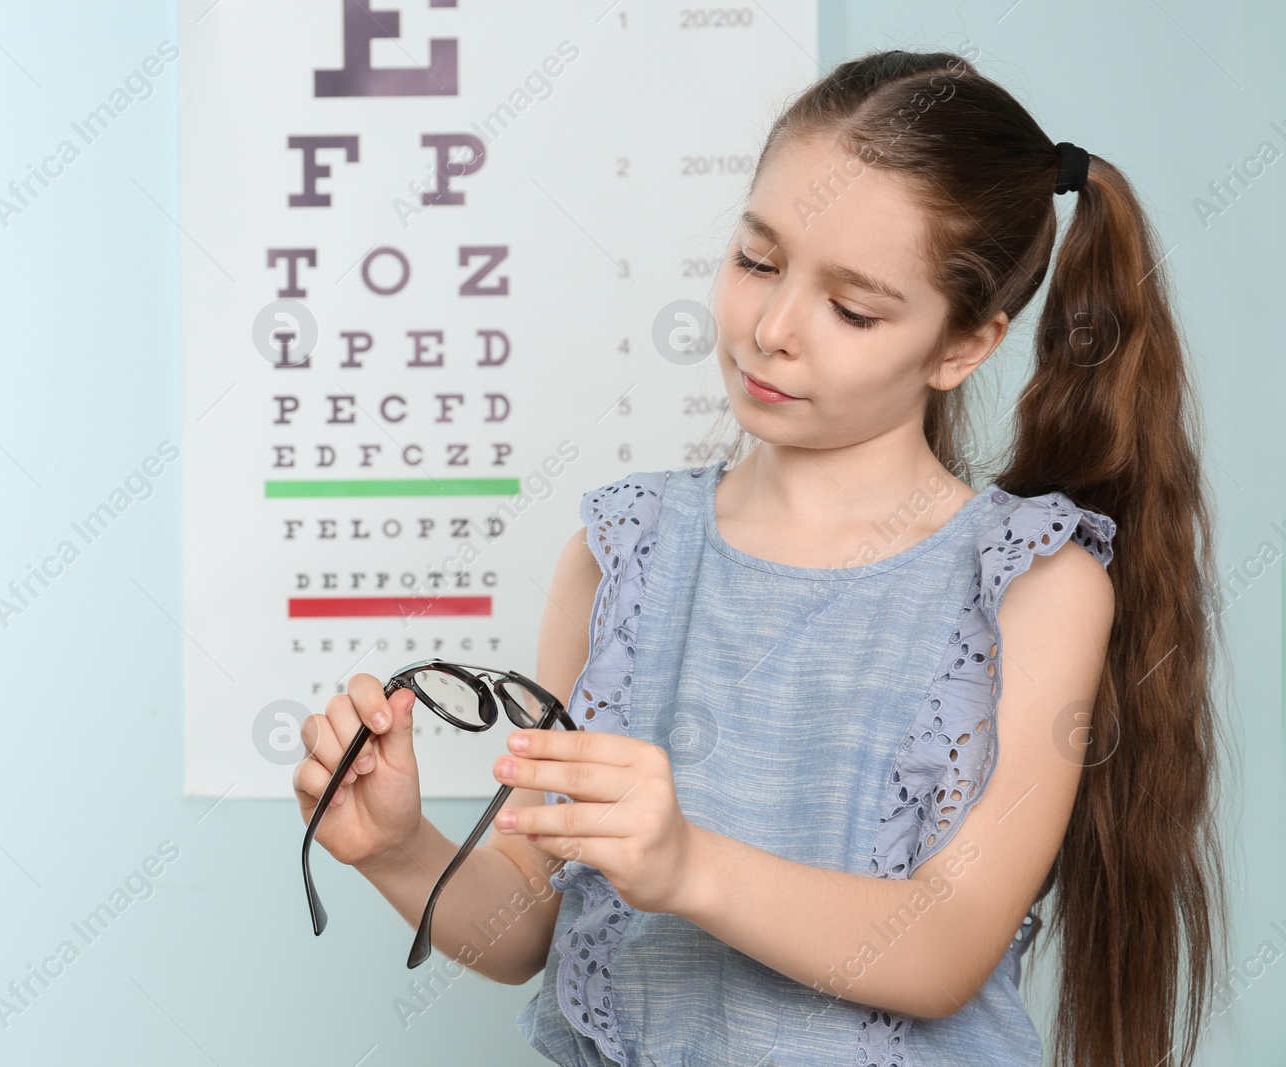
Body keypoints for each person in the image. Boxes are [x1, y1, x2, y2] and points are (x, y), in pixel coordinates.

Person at [293, 47, 1231, 1067]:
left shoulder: (1036, 584)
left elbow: (945, 944)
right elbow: (533, 919)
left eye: (852, 306)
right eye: (757, 259)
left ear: (963, 346)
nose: (772, 328)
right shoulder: (621, 557)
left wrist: (686, 863)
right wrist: (398, 847)